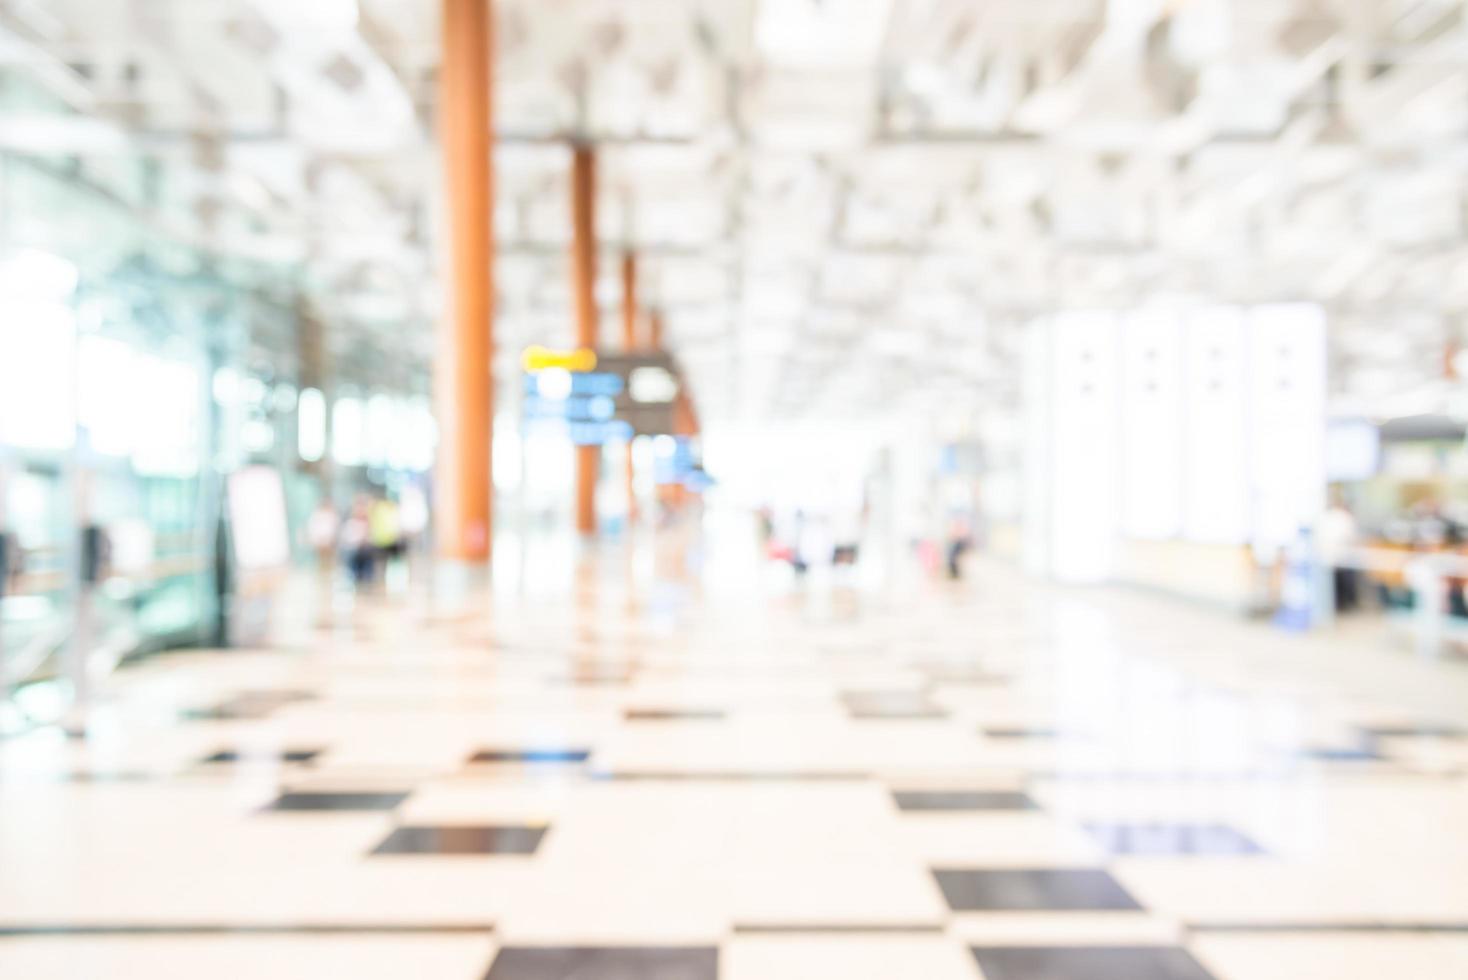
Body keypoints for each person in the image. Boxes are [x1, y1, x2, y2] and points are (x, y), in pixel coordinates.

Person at [1317, 489, 1360, 612]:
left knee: (1336, 584)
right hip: (1341, 555)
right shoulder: (1343, 517)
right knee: (1342, 583)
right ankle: (1344, 604)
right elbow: (1351, 537)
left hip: (1333, 556)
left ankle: (1339, 605)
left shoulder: (1327, 517)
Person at [341, 496, 374, 588]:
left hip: (365, 550)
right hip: (354, 550)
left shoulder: (368, 523)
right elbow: (347, 538)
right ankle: (353, 577)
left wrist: (365, 540)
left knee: (367, 552)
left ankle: (367, 579)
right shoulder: (350, 522)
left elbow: (372, 538)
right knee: (352, 554)